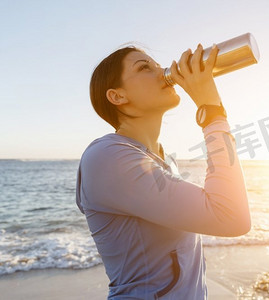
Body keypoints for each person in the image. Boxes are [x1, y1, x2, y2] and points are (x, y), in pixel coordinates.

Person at [75, 42, 251, 299]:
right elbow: (231, 216)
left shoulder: (162, 159)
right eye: (145, 67)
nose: (163, 72)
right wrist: (211, 110)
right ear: (118, 96)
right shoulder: (107, 156)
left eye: (159, 66)